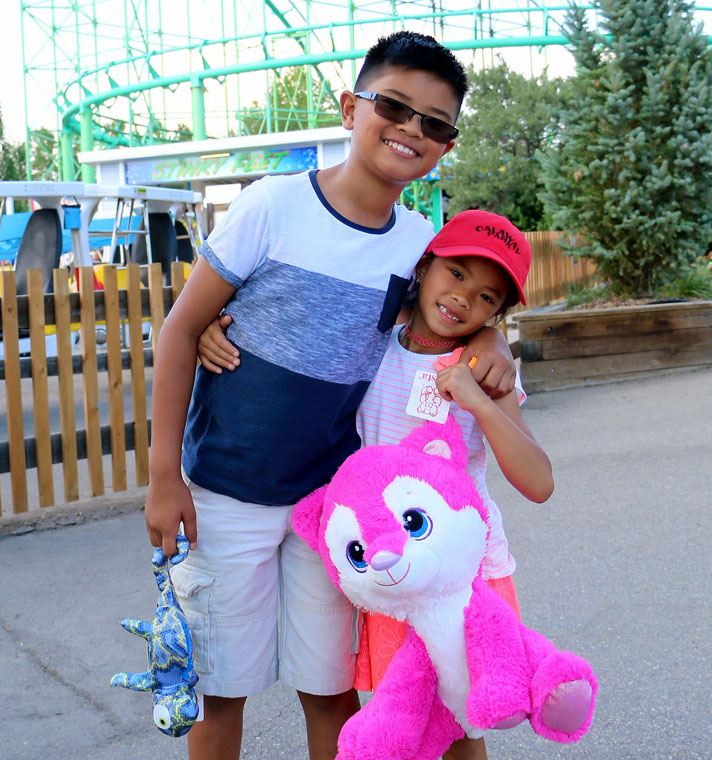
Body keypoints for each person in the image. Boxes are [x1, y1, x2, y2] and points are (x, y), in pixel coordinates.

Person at [146, 31, 516, 760]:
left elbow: (461, 307)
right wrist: (164, 479)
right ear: (351, 108)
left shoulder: (419, 245)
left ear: (446, 145)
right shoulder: (272, 208)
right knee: (219, 692)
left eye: (434, 124)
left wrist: (494, 341)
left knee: (331, 692)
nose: (411, 130)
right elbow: (179, 331)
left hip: (333, 507)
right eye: (395, 107)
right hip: (227, 492)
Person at [198, 210, 552, 760]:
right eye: (456, 274)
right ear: (426, 265)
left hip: (459, 578)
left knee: (460, 727)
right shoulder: (377, 339)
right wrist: (214, 322)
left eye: (487, 298)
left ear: (498, 313)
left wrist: (481, 396)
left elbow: (538, 482)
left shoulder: (484, 367)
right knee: (401, 720)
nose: (463, 299)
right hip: (385, 570)